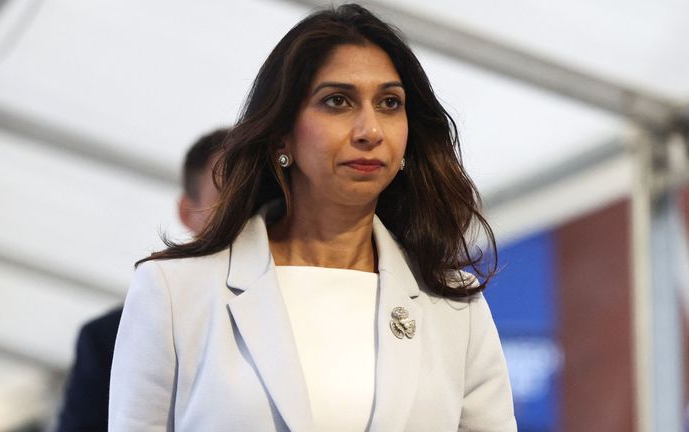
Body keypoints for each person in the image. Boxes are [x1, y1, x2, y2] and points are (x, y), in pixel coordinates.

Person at [110, 4, 515, 432]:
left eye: (389, 103)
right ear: (282, 133)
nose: (369, 130)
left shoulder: (454, 304)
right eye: (337, 101)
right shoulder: (175, 293)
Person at [55, 128, 227, 432]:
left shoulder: (310, 307)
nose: (251, 213)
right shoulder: (108, 338)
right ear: (187, 212)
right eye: (229, 195)